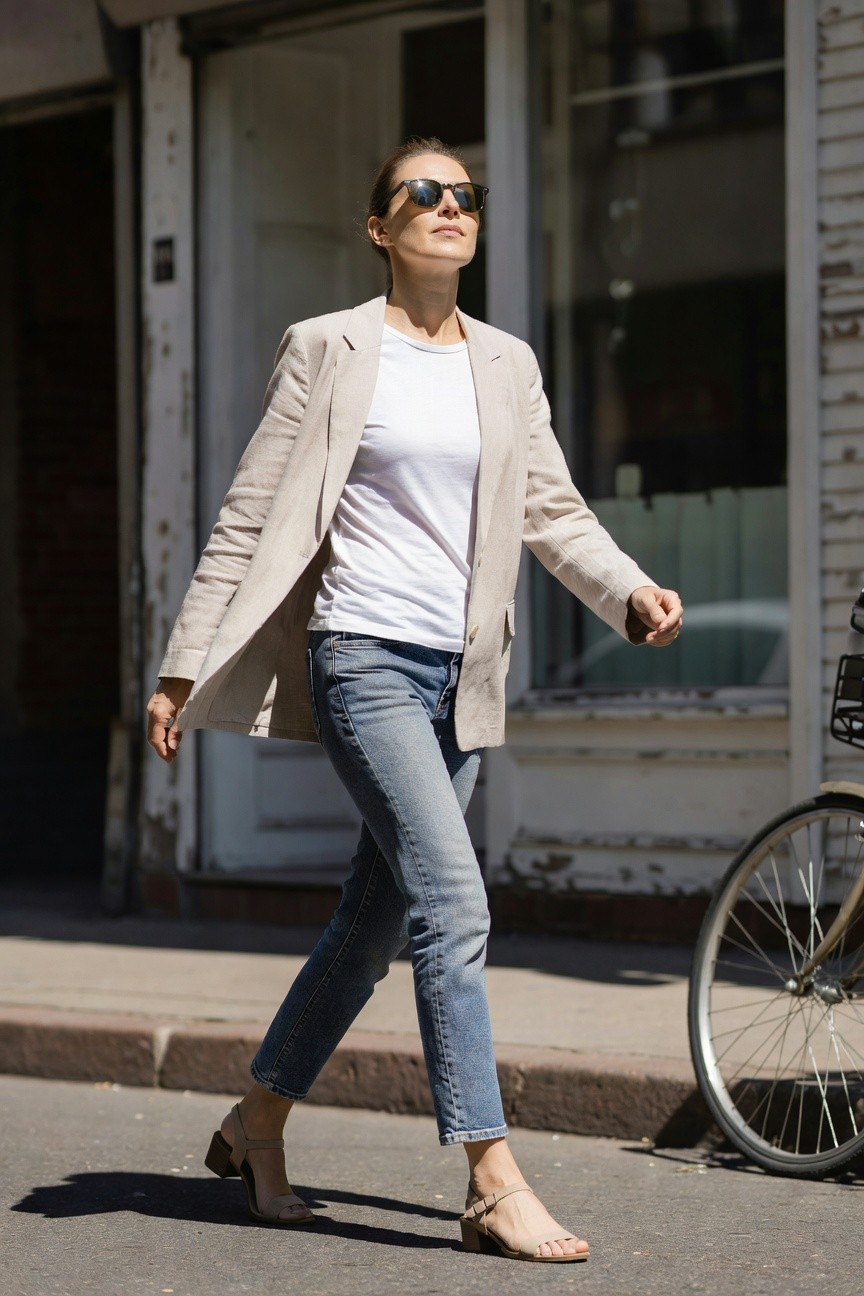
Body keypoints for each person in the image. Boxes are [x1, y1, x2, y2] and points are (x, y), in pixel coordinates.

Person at [147, 136, 683, 1263]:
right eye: (422, 194)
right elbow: (251, 515)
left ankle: (257, 1124)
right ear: (380, 229)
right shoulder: (328, 349)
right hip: (362, 660)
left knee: (372, 922)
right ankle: (491, 1176)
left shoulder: (508, 364)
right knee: (455, 900)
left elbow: (552, 507)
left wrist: (626, 587)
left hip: (460, 676)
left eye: (465, 195)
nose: (450, 206)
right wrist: (183, 661)